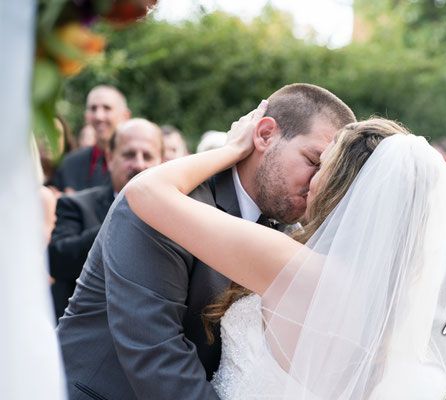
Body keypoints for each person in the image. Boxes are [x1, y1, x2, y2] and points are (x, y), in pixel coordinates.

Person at [126, 107, 446, 399]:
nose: (311, 180)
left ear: (344, 187)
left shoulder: (294, 267)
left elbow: (145, 190)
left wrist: (231, 149)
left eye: (322, 166)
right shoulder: (393, 305)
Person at [56, 83, 357, 400]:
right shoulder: (168, 204)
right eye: (313, 161)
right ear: (265, 134)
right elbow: (155, 353)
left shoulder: (289, 233)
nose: (317, 183)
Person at [49, 119, 163, 321]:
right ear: (110, 158)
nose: (138, 164)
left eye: (147, 156)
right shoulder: (76, 205)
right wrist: (122, 218)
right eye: (129, 155)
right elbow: (57, 261)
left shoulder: (175, 214)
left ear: (162, 161)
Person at [52, 85, 131, 192]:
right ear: (86, 117)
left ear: (125, 116)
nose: (98, 116)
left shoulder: (137, 163)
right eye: (93, 109)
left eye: (107, 108)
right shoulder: (69, 164)